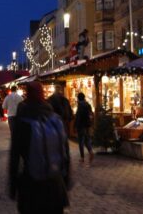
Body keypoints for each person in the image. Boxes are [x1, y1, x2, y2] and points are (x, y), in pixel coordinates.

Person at [9, 81, 70, 214]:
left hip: (31, 186)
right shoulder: (55, 119)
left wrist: (13, 186)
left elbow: (14, 156)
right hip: (55, 186)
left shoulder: (23, 121)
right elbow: (65, 152)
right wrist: (65, 181)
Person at [75, 92, 94, 163]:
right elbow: (91, 114)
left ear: (78, 98)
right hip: (87, 125)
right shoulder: (88, 104)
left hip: (81, 126)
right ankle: (91, 151)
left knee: (81, 142)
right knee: (86, 140)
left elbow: (78, 117)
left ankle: (82, 158)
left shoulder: (80, 105)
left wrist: (76, 126)